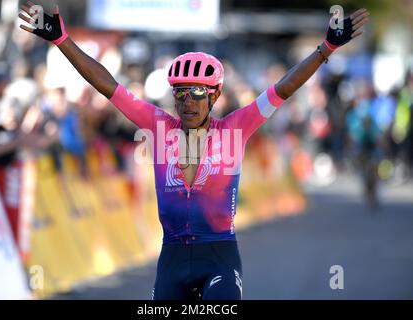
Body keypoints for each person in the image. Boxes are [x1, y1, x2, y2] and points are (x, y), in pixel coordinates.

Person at [18, 2, 369, 300]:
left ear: (214, 96)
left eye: (198, 93)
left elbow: (284, 88)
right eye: (181, 92)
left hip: (218, 255)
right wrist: (62, 40)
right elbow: (107, 84)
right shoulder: (157, 126)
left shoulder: (235, 128)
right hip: (171, 257)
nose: (188, 101)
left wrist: (326, 48)